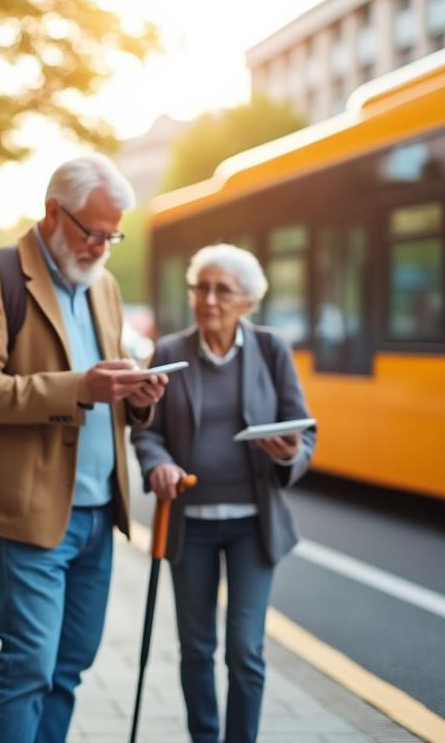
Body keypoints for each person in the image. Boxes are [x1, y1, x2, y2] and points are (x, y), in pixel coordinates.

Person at [0, 155, 169, 743]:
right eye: (92, 232)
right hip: (28, 512)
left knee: (69, 666)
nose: (102, 246)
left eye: (113, 235)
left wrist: (138, 394)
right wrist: (81, 387)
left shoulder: (107, 287)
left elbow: (110, 387)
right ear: (53, 213)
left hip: (99, 511)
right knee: (27, 667)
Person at [131, 244, 316, 743]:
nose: (208, 299)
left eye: (222, 290)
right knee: (196, 646)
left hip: (252, 526)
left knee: (245, 649)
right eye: (200, 288)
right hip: (189, 524)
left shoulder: (272, 349)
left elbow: (305, 431)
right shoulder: (170, 352)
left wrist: (286, 453)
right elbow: (145, 430)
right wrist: (159, 464)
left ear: (248, 301)